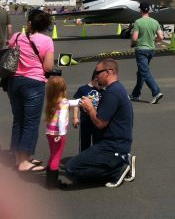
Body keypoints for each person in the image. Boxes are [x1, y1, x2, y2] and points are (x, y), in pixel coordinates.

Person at [62, 59, 135, 188]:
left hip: (112, 146)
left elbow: (100, 123)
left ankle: (118, 169)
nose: (96, 75)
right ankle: (119, 162)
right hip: (113, 143)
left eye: (98, 72)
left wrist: (90, 108)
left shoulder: (112, 93)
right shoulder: (115, 89)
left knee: (71, 169)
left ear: (108, 72)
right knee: (77, 165)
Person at [7, 9, 54, 172]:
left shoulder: (17, 37)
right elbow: (48, 66)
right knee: (30, 122)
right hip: (33, 82)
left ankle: (17, 157)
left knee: (18, 119)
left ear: (29, 23)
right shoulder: (46, 41)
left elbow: (10, 53)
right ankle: (24, 161)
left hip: (14, 81)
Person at [44, 76, 81, 187]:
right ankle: (53, 183)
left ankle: (49, 179)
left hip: (50, 132)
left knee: (52, 155)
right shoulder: (63, 102)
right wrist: (62, 133)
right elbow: (61, 118)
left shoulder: (52, 101)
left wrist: (80, 100)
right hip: (58, 134)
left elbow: (71, 102)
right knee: (57, 156)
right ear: (63, 88)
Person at [129, 1, 164, 104]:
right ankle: (136, 94)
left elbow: (135, 38)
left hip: (141, 50)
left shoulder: (138, 22)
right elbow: (161, 37)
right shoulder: (155, 22)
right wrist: (154, 41)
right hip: (151, 50)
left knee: (145, 72)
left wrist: (132, 44)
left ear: (140, 10)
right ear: (149, 10)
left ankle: (156, 92)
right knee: (141, 72)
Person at [72, 71, 103, 152]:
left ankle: (95, 159)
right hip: (86, 120)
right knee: (85, 142)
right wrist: (75, 117)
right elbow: (76, 104)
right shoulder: (83, 89)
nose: (102, 87)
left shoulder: (102, 91)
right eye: (101, 84)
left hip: (97, 120)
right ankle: (83, 159)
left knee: (98, 142)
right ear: (96, 79)